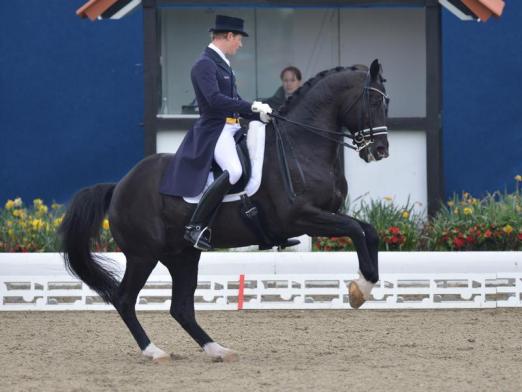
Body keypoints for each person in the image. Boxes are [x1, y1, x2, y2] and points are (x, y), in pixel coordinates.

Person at [160, 15, 272, 250]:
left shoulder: (222, 64)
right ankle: (196, 226)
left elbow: (235, 100)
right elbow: (215, 100)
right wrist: (250, 106)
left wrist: (258, 113)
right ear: (229, 36)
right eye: (239, 39)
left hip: (232, 127)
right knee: (233, 170)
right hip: (216, 128)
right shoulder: (204, 64)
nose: (240, 45)